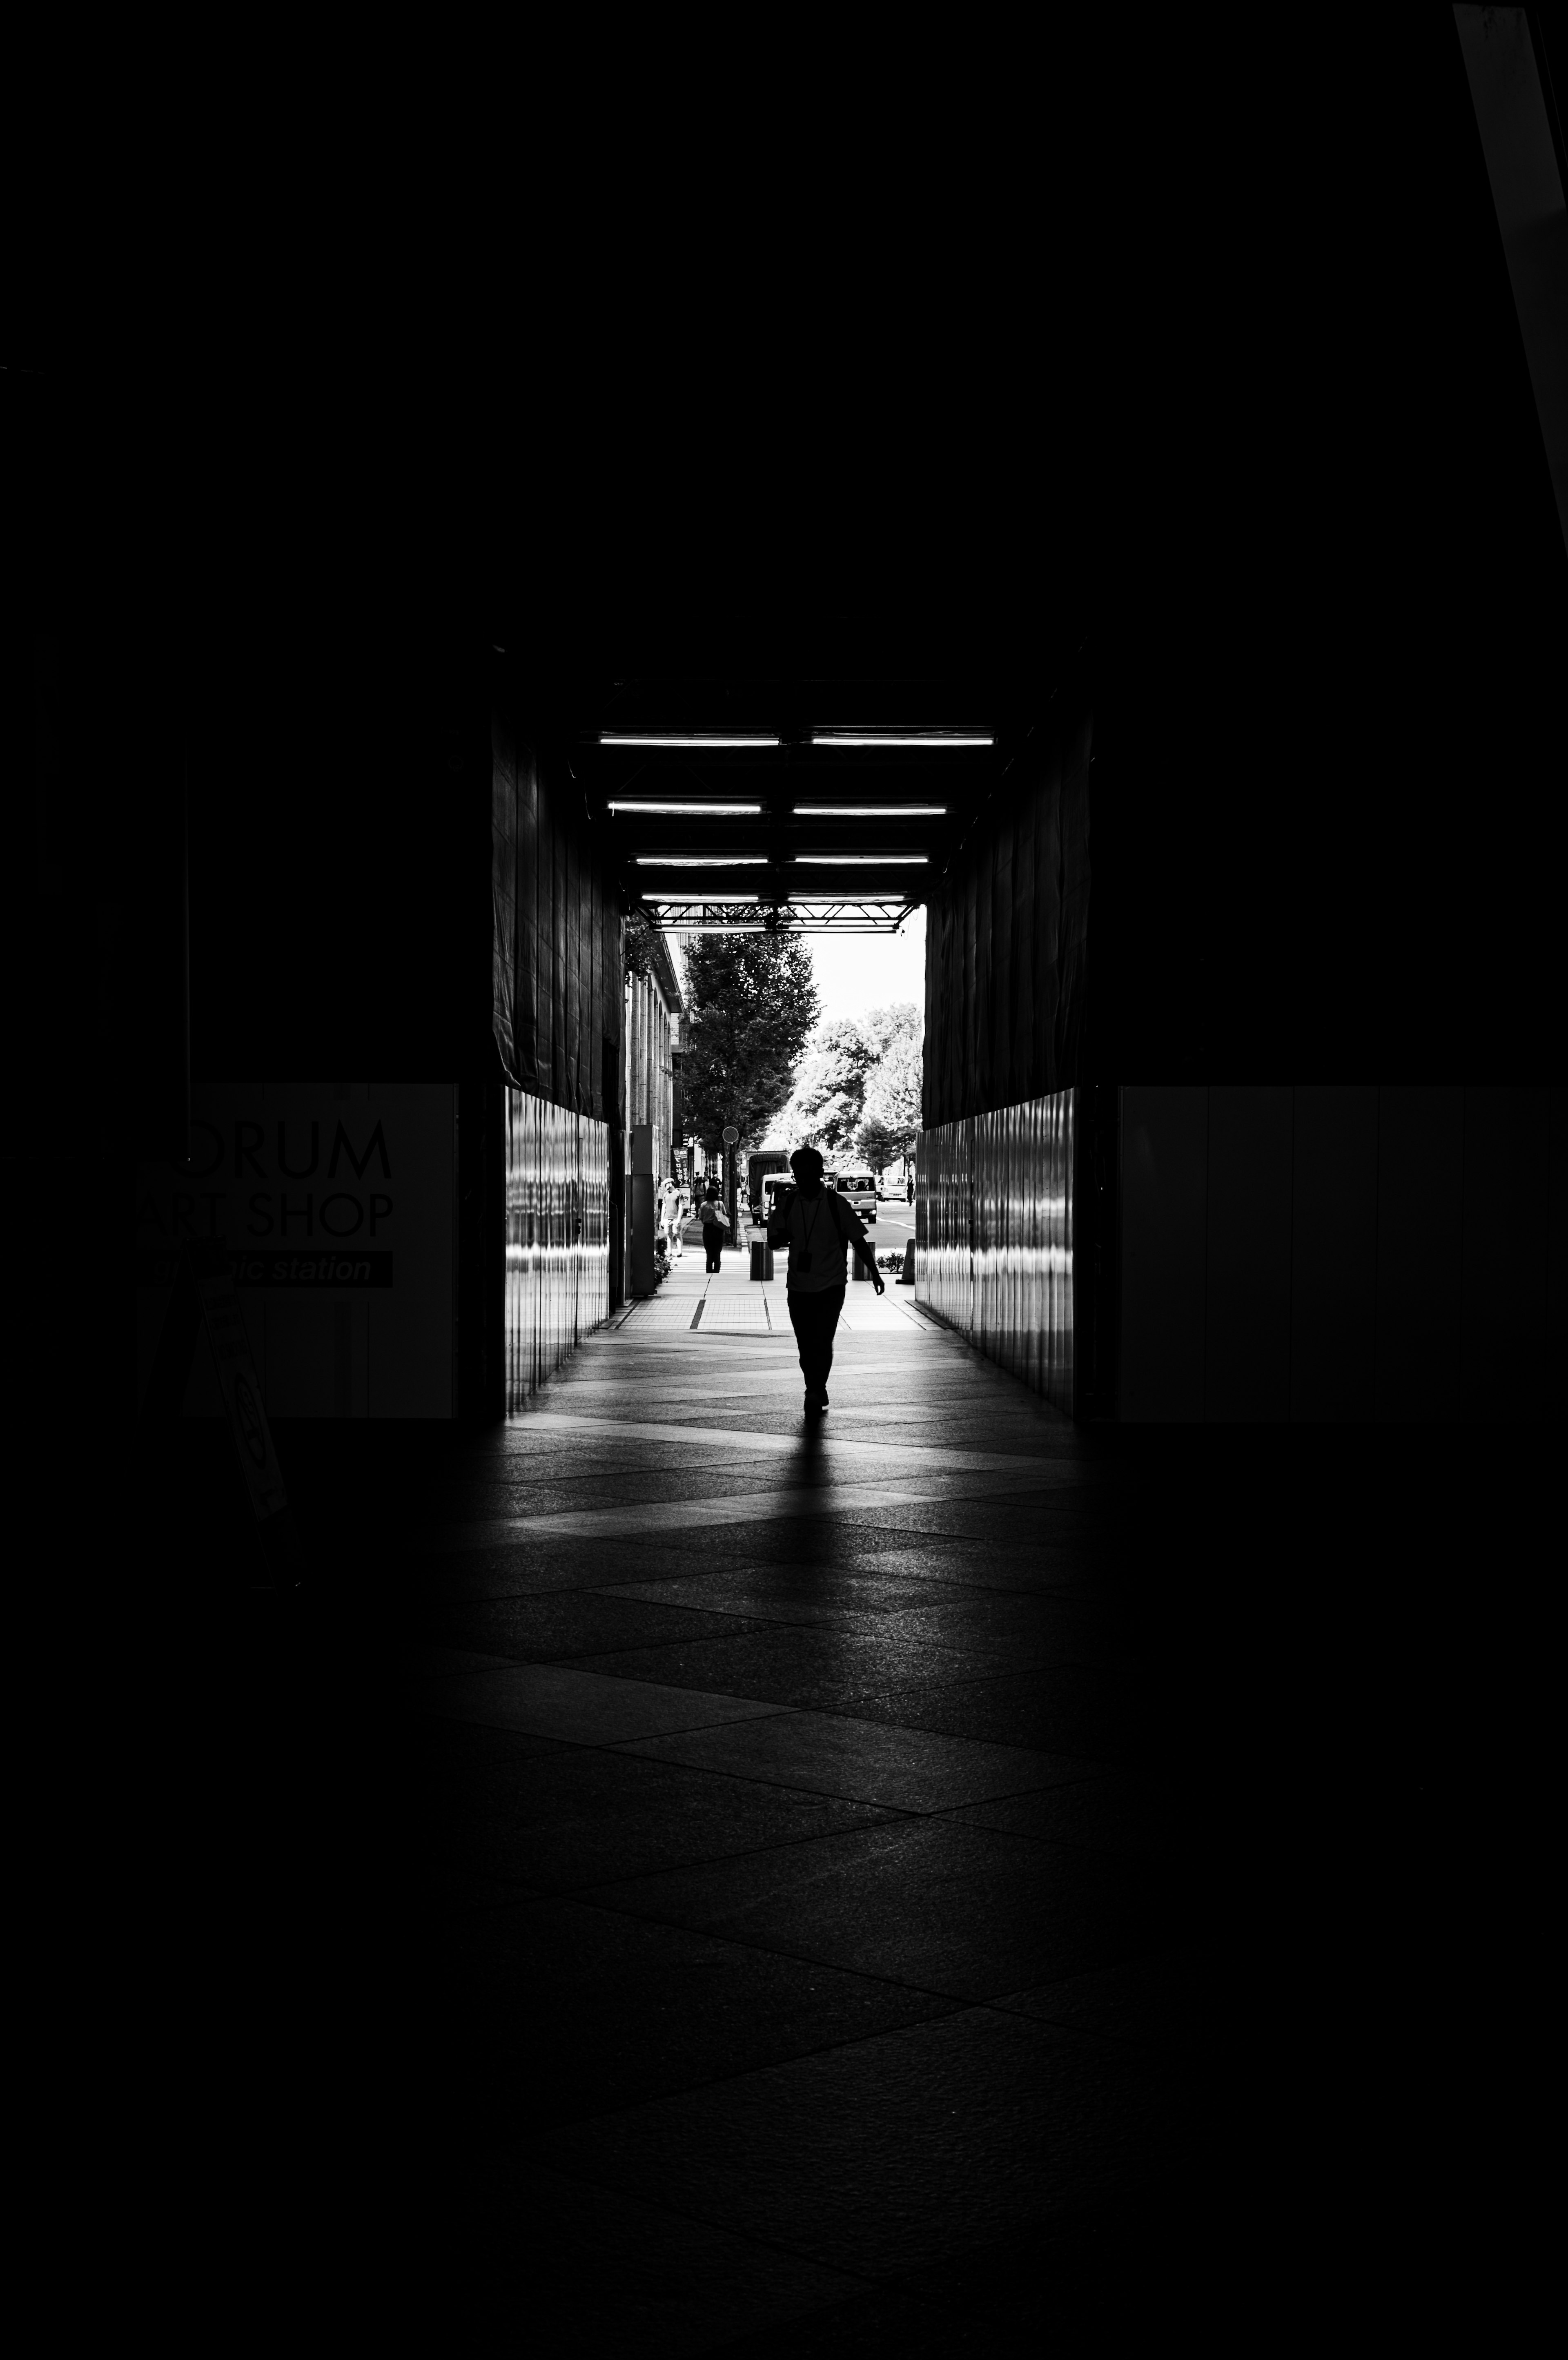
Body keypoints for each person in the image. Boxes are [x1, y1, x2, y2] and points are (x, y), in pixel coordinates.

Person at [766, 1145, 884, 1416]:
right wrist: (782, 1237)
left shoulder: (835, 1203)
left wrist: (875, 1273)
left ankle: (814, 1389)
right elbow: (773, 1240)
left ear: (820, 1173)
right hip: (798, 1287)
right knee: (805, 1345)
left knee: (822, 1341)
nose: (803, 1180)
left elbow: (858, 1240)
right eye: (798, 1175)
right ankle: (815, 1386)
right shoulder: (789, 1203)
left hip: (831, 1287)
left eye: (808, 1174)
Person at [699, 1186, 729, 1273]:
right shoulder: (720, 1204)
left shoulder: (703, 1205)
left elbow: (701, 1218)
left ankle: (709, 1270)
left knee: (709, 1251)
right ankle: (716, 1271)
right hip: (719, 1229)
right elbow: (724, 1215)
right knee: (717, 1251)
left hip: (707, 1229)